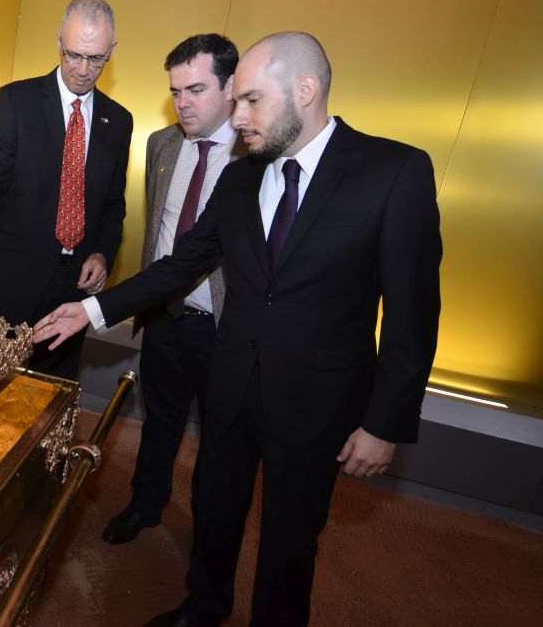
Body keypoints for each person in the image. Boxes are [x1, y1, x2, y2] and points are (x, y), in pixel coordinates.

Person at [34, 31, 441, 626]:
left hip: (316, 405)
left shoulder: (393, 172)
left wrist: (384, 422)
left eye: (251, 100)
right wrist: (93, 311)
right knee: (217, 514)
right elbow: (181, 263)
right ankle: (205, 605)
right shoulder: (241, 177)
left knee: (289, 540)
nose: (237, 114)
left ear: (305, 90)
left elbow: (414, 314)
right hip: (230, 388)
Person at [102, 34, 244, 546]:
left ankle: (209, 538)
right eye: (176, 90)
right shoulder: (161, 145)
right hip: (164, 317)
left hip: (224, 331)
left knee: (220, 441)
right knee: (157, 422)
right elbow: (160, 234)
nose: (183, 101)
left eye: (197, 89)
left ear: (231, 87)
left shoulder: (257, 160)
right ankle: (145, 505)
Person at [0, 0, 133, 380]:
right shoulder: (16, 102)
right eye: (73, 54)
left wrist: (103, 254)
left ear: (112, 51)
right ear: (58, 41)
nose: (83, 70)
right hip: (10, 282)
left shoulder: (119, 121)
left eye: (96, 59)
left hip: (72, 292)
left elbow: (112, 205)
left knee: (52, 395)